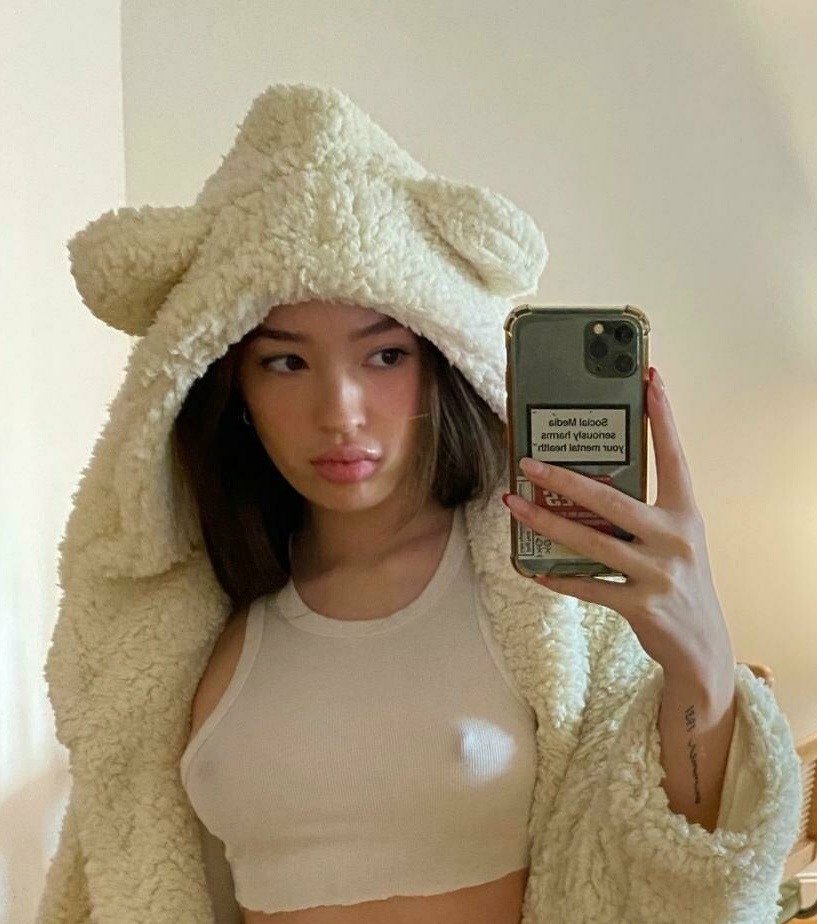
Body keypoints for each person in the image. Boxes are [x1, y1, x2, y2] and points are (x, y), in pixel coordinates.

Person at [36, 83, 801, 924]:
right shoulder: (179, 626)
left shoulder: (545, 603)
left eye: (384, 356)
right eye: (285, 362)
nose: (339, 412)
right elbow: (126, 874)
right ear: (230, 385)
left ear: (440, 360)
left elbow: (669, 880)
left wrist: (700, 662)